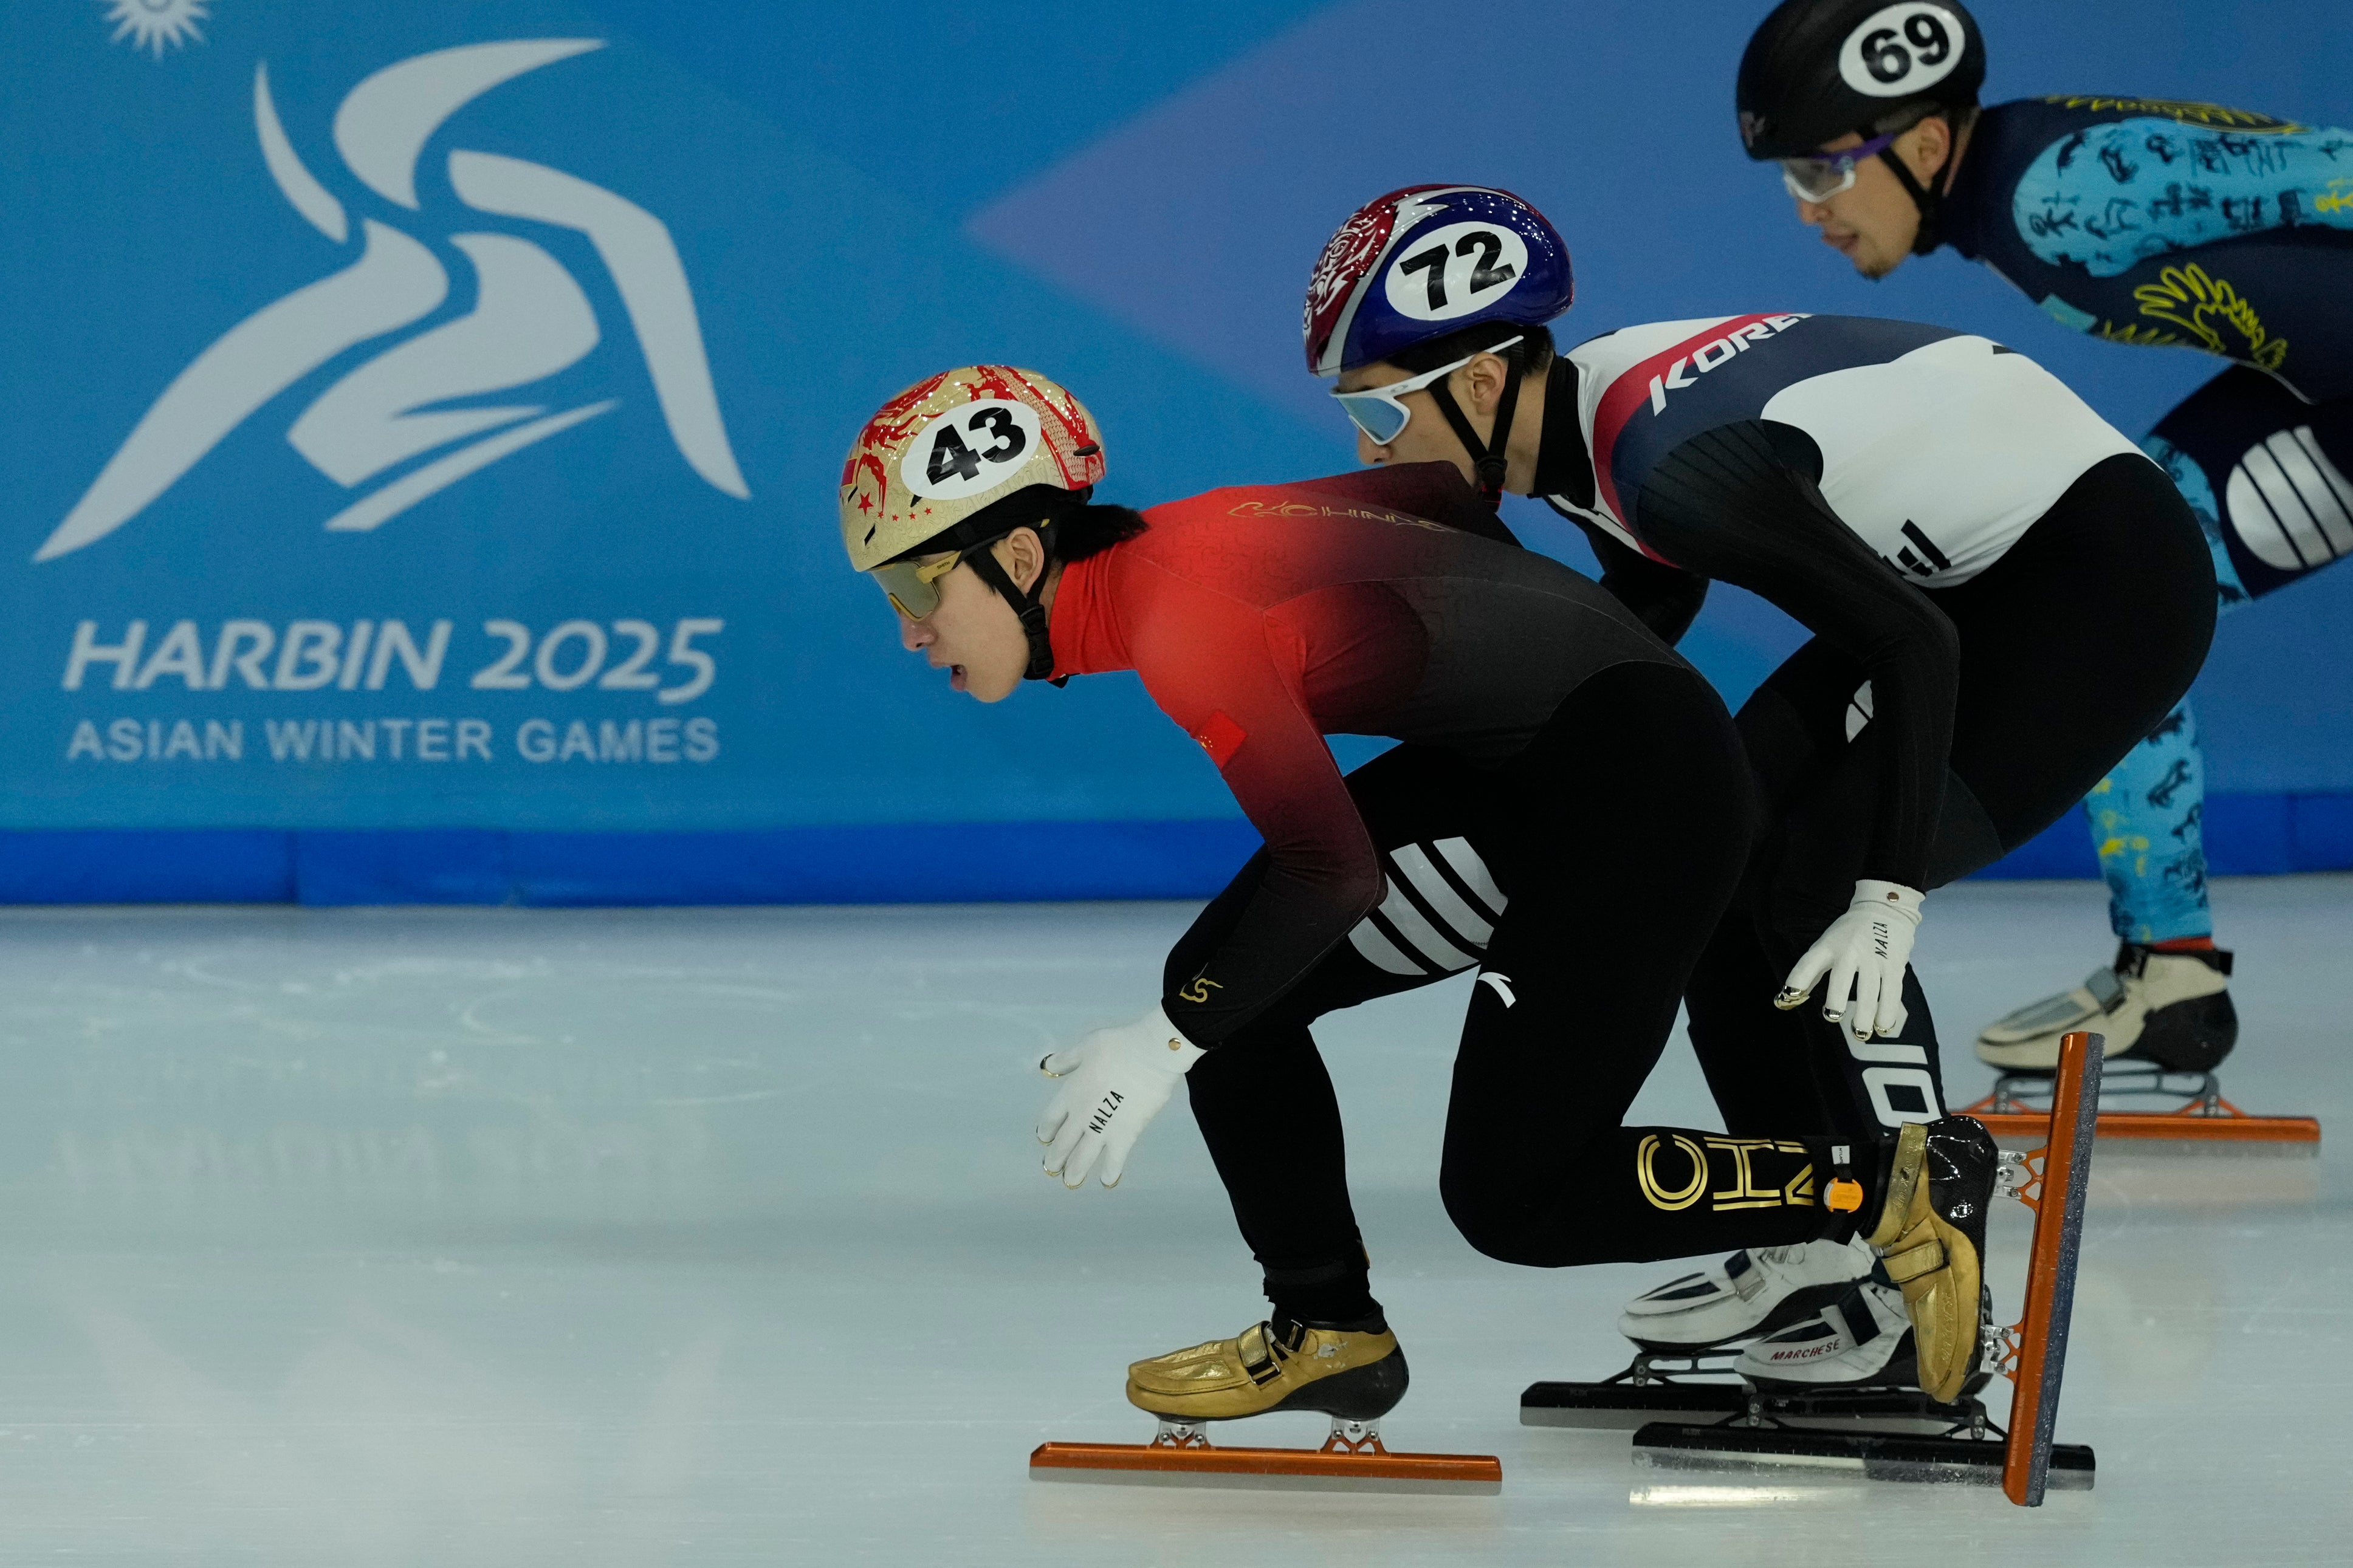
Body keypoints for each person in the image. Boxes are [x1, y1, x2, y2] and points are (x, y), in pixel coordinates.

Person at [836, 363, 2002, 1426]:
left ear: (1024, 559)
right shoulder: (1196, 537)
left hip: (1638, 787)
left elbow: (1331, 871)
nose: (905, 630)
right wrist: (1534, 638)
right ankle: (1327, 1325)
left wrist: (1165, 1038)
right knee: (1233, 987)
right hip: (1539, 761)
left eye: (911, 580)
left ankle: (1886, 1186)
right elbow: (1440, 498)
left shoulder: (1180, 620)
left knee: (1513, 1194)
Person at [1303, 183, 2213, 1383]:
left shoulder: (1664, 460)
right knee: (1729, 861)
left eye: (1377, 414)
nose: (1372, 451)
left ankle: (1926, 1284)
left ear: (1479, 385)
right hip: (1972, 574)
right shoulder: (1579, 431)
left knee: (1817, 884)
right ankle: (1815, 1228)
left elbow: (1910, 646)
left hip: (2096, 586)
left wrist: (1887, 893)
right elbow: (1646, 614)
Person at [1734, 0, 2353, 1076]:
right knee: (2131, 588)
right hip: (2329, 398)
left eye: (1822, 173)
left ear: (1925, 144)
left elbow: (2333, 166)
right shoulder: (2024, 192)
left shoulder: (2063, 194)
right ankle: (2174, 975)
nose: (1807, 209)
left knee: (2122, 587)